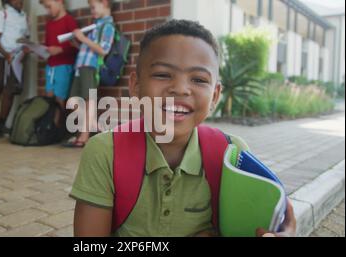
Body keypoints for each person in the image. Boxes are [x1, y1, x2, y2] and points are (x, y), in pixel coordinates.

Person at [69, 20, 297, 237]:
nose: (180, 89)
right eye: (162, 74)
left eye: (198, 79)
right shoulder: (105, 152)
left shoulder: (232, 155)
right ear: (135, 86)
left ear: (215, 95)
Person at [63, 0, 115, 148]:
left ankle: (84, 136)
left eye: (93, 7)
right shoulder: (96, 25)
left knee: (88, 100)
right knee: (73, 100)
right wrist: (78, 44)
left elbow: (103, 50)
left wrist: (82, 38)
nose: (91, 11)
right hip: (80, 66)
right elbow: (89, 46)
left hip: (90, 67)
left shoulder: (108, 26)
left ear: (104, 3)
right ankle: (93, 125)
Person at [0, 0, 30, 141]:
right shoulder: (2, 14)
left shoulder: (25, 18)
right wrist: (6, 55)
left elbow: (25, 38)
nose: (20, 1)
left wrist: (25, 51)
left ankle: (2, 124)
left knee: (10, 91)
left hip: (15, 58)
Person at [41, 0, 79, 110]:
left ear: (59, 1)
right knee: (49, 98)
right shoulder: (49, 24)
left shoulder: (69, 21)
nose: (48, 11)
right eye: (46, 8)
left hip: (64, 66)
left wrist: (61, 49)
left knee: (59, 100)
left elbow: (76, 46)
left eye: (49, 7)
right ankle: (49, 126)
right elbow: (47, 46)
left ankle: (57, 126)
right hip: (50, 67)